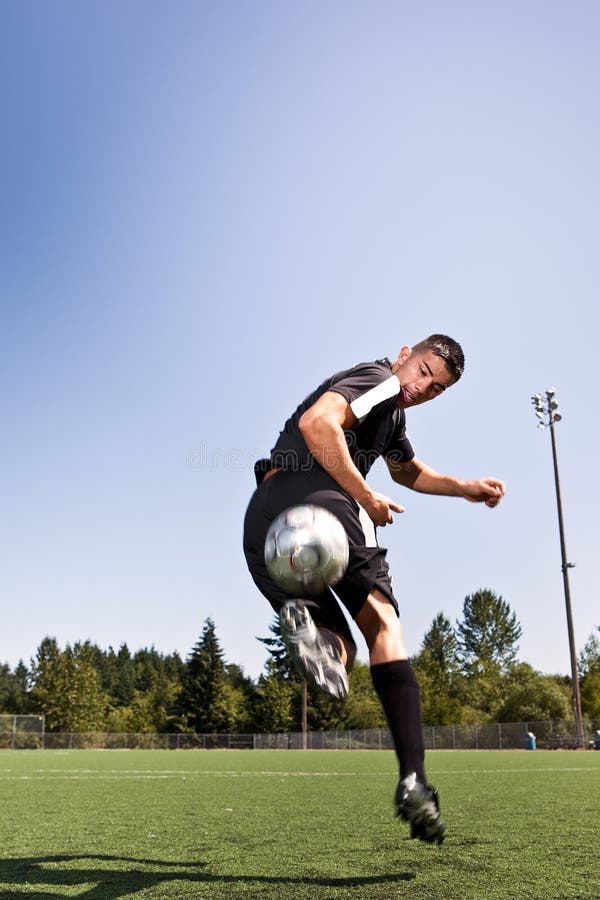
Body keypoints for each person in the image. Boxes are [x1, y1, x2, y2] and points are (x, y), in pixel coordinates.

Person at [243, 335, 505, 844]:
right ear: (405, 353)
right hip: (319, 500)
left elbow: (408, 471)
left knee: (339, 652)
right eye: (423, 370)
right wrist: (363, 495)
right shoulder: (380, 380)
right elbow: (317, 424)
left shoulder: (391, 416)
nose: (422, 386)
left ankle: (313, 632)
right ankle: (414, 782)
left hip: (267, 527)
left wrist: (464, 488)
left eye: (436, 387)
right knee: (385, 626)